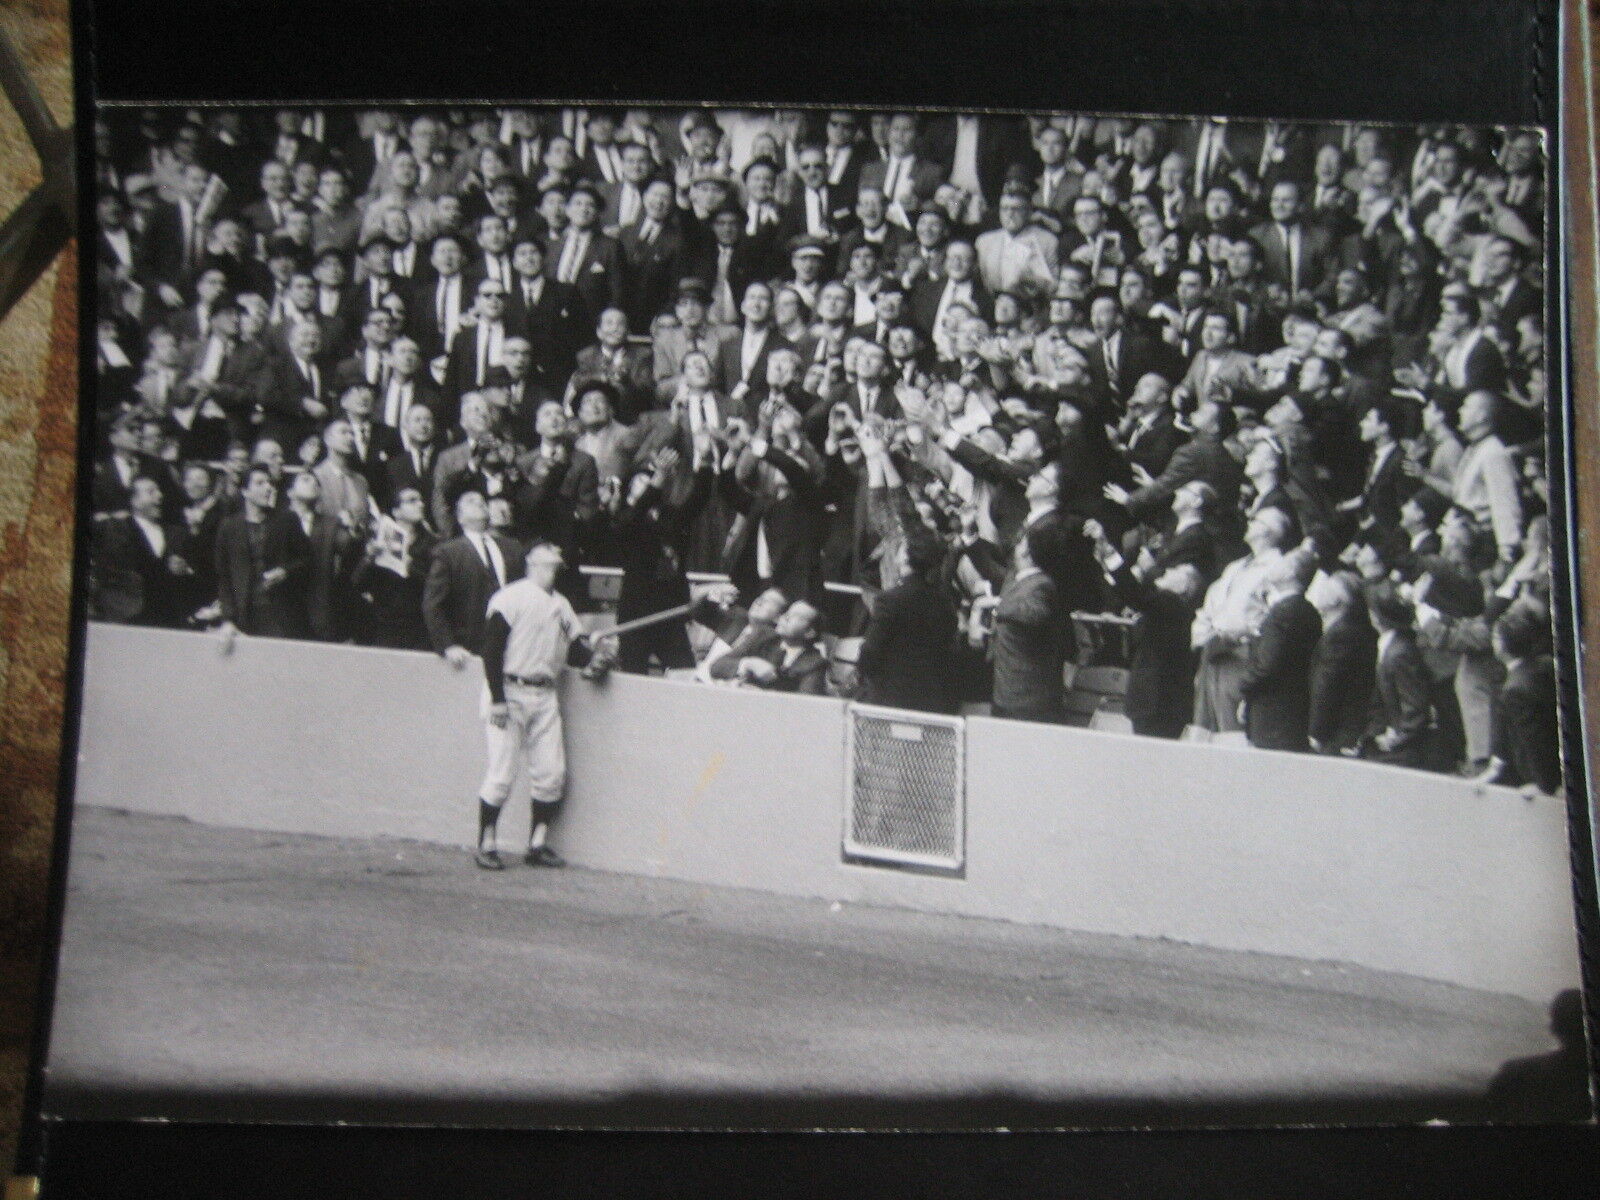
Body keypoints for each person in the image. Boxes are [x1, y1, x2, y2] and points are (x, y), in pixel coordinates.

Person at [474, 540, 613, 871]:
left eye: (558, 564)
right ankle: (486, 842)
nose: (556, 567)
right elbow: (491, 650)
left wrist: (596, 656)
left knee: (551, 773)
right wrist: (497, 699)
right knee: (501, 775)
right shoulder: (511, 598)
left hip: (545, 693)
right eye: (550, 562)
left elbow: (574, 650)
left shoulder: (562, 606)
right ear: (533, 564)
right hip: (509, 690)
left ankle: (537, 844)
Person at [422, 488, 525, 666]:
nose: (480, 503)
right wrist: (448, 645)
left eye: (483, 502)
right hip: (469, 646)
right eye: (471, 501)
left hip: (512, 642)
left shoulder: (512, 548)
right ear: (460, 518)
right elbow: (433, 604)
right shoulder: (448, 552)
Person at [1237, 548, 1322, 752]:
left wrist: (1243, 686)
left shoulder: (1283, 612)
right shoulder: (1306, 610)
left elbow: (1267, 665)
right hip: (1288, 709)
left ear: (1291, 574)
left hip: (1273, 711)